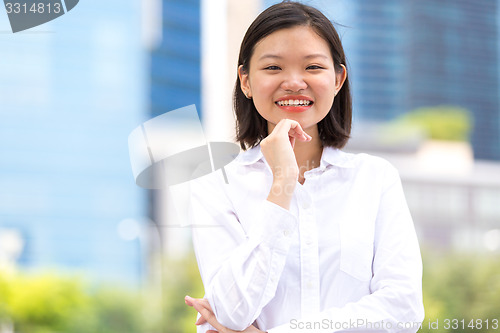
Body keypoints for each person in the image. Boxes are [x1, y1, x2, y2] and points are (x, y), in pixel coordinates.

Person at [184, 1, 424, 332]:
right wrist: (282, 181)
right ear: (246, 81)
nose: (295, 82)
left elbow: (403, 309)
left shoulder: (375, 179)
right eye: (272, 68)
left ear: (338, 79)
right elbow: (231, 311)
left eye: (313, 67)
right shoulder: (216, 187)